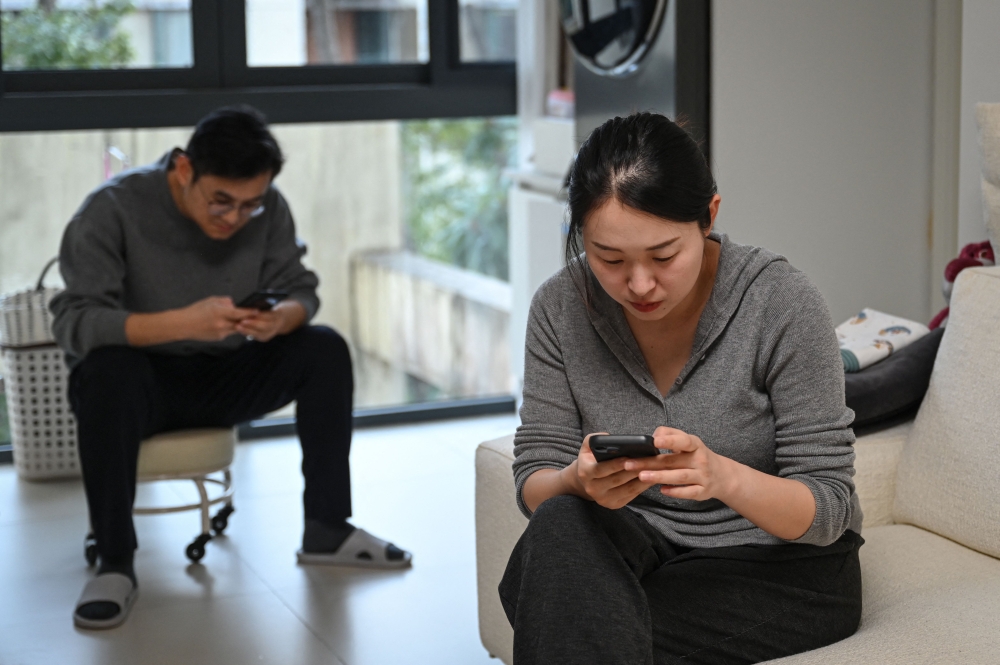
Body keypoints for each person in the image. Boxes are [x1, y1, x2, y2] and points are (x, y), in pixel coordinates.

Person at [500, 113, 863, 664]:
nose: (640, 284)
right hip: (642, 548)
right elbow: (533, 483)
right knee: (558, 530)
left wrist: (721, 476)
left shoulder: (781, 303)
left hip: (779, 569)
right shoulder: (559, 308)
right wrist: (577, 479)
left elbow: (829, 507)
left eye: (664, 256)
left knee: (555, 604)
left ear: (709, 216)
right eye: (610, 259)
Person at [51, 105, 411, 631]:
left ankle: (327, 528)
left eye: (249, 205)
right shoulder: (112, 209)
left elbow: (301, 290)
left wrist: (280, 319)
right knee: (106, 372)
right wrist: (182, 323)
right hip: (140, 384)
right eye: (221, 202)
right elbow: (75, 323)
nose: (234, 218)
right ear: (182, 169)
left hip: (225, 370)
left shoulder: (267, 209)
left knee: (324, 348)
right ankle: (114, 562)